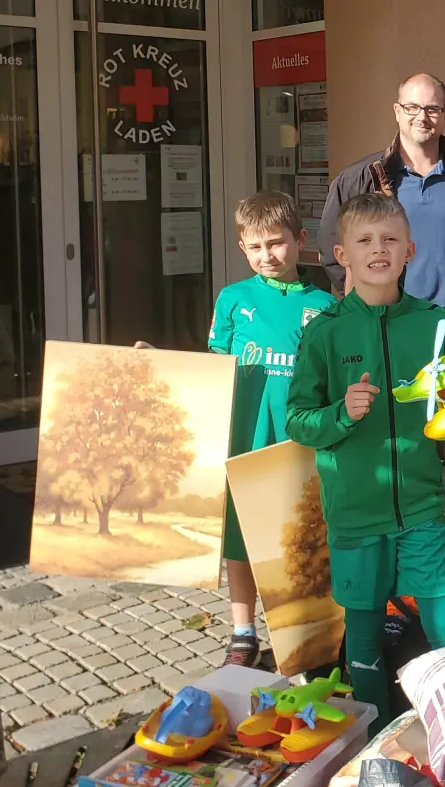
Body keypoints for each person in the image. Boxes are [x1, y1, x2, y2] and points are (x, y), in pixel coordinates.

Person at [136, 192, 336, 668]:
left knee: (294, 538)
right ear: (242, 249)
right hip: (244, 438)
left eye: (276, 243)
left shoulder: (327, 306)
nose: (267, 256)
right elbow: (216, 367)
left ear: (300, 240)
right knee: (240, 541)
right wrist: (159, 364)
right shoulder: (233, 300)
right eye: (255, 247)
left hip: (296, 444)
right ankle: (243, 631)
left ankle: (302, 630)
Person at [287, 193, 445, 723]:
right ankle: (374, 739)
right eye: (364, 241)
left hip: (422, 505)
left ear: (410, 250)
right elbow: (299, 420)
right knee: (362, 631)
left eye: (389, 239)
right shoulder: (325, 330)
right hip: (356, 512)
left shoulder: (435, 324)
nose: (378, 250)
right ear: (341, 255)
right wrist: (341, 414)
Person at [319, 74, 445, 336]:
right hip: (381, 326)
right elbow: (332, 253)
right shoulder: (360, 178)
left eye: (432, 109)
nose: (422, 117)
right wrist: (367, 299)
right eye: (412, 108)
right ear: (397, 111)